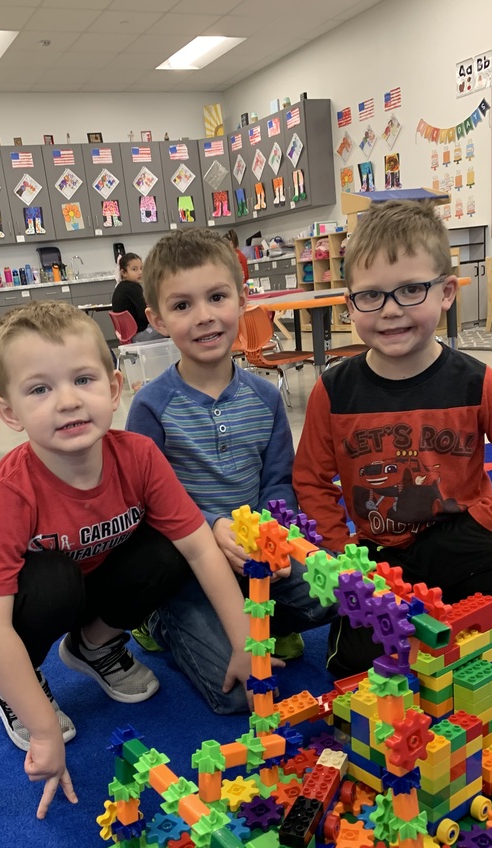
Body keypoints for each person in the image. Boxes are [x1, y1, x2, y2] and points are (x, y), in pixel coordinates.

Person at [0, 301, 251, 818]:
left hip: (96, 578)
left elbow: (201, 548)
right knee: (53, 580)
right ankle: (12, 680)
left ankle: (94, 647)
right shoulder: (11, 490)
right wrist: (45, 732)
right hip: (26, 600)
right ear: (9, 413)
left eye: (83, 379)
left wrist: (245, 643)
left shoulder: (137, 455)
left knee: (172, 546)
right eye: (40, 389)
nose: (68, 401)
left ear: (114, 389)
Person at [293, 199, 492, 678]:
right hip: (376, 551)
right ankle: (426, 626)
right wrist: (340, 555)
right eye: (371, 296)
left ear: (445, 292)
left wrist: (485, 522)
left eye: (411, 290)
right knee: (353, 669)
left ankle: (446, 621)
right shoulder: (334, 390)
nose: (391, 311)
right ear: (349, 304)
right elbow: (311, 480)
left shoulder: (475, 382)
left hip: (459, 539)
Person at [125, 228, 336, 714]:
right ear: (156, 320)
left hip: (255, 557)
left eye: (217, 297)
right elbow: (146, 505)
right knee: (239, 696)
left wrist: (270, 536)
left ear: (242, 302)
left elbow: (278, 481)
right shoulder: (151, 407)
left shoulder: (265, 398)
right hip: (188, 569)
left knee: (334, 591)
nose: (203, 317)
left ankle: (263, 620)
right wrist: (208, 527)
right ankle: (160, 622)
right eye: (182, 306)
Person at [111, 252, 165, 343]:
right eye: (134, 269)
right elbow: (144, 315)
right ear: (124, 272)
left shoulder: (120, 287)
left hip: (127, 337)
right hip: (139, 336)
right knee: (170, 328)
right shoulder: (133, 288)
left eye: (141, 268)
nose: (140, 272)